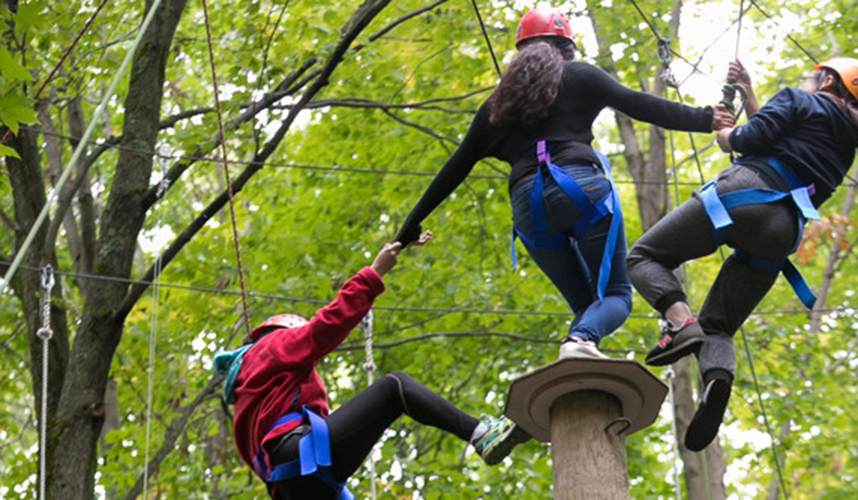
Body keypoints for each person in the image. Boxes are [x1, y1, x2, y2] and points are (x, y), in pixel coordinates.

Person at [394, 8, 735, 360]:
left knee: (588, 307)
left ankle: (580, 347)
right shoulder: (581, 76)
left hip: (528, 207)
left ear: (520, 53)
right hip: (582, 187)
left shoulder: (495, 108)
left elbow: (452, 171)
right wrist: (706, 118)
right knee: (616, 295)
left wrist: (405, 231)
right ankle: (580, 342)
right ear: (567, 48)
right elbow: (641, 105)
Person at [626, 57, 858, 451]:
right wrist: (749, 88)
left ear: (829, 79)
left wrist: (726, 132)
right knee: (720, 327)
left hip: (741, 196)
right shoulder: (847, 143)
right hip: (782, 229)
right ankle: (718, 378)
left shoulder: (798, 99)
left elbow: (745, 143)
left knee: (643, 258)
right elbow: (776, 142)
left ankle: (679, 322)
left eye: (816, 76)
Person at [213, 232, 528, 499]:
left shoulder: (249, 400)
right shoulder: (270, 348)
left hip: (296, 486)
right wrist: (374, 274)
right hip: (301, 457)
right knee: (394, 389)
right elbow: (324, 328)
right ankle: (481, 434)